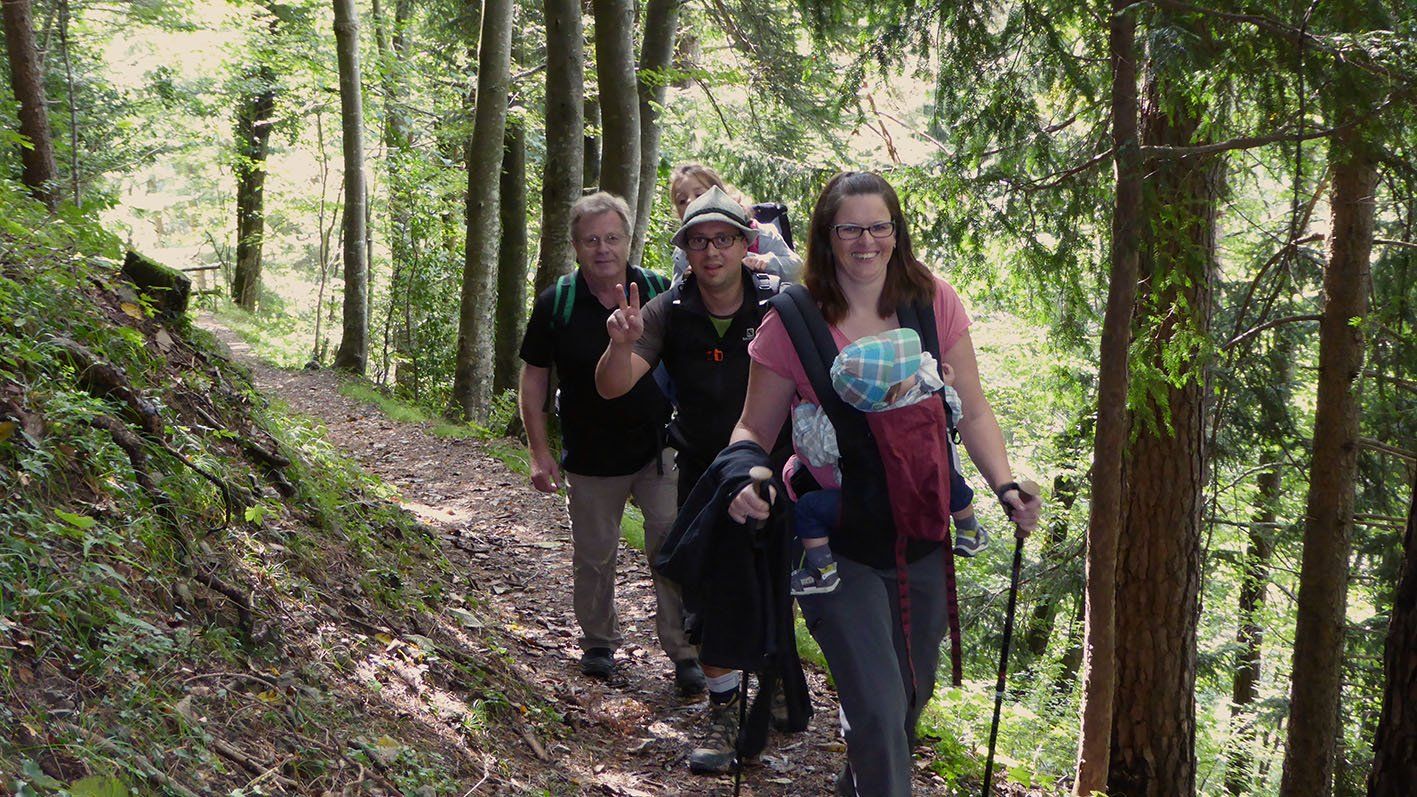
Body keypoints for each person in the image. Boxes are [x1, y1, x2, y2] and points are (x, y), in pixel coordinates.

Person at [724, 171, 1041, 796]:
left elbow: (973, 410)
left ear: (896, 233)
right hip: (834, 545)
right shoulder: (793, 321)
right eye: (850, 229)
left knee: (907, 700)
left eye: (879, 227)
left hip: (922, 534)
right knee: (875, 707)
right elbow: (753, 428)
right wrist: (743, 476)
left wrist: (1004, 486)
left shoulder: (931, 302)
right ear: (826, 236)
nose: (866, 242)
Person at [595, 186, 810, 775]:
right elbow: (613, 385)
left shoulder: (778, 304)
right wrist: (619, 345)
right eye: (698, 241)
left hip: (774, 471)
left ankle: (775, 676)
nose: (711, 252)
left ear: (745, 243)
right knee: (704, 593)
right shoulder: (670, 309)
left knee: (773, 584)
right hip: (701, 474)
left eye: (723, 239)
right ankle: (725, 711)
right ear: (685, 249)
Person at [517, 191, 704, 694]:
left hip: (660, 446)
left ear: (628, 239)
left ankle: (685, 651)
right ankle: (599, 643)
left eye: (612, 237)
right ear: (576, 246)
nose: (603, 248)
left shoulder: (661, 291)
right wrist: (539, 451)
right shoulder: (558, 302)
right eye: (591, 240)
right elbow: (534, 377)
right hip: (591, 454)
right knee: (595, 555)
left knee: (671, 545)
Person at [788, 327, 988, 596]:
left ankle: (823, 572)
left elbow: (812, 450)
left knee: (808, 508)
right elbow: (953, 412)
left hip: (867, 508)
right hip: (922, 491)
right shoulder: (925, 400)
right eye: (907, 372)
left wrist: (803, 411)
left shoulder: (840, 422)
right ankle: (969, 530)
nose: (915, 369)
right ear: (894, 394)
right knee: (949, 479)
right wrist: (947, 385)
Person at [669, 163, 801, 281]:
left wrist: (766, 262)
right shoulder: (683, 251)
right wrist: (686, 280)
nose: (690, 202)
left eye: (699, 195)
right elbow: (673, 293)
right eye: (682, 200)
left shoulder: (761, 235)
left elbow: (797, 268)